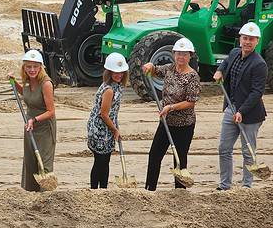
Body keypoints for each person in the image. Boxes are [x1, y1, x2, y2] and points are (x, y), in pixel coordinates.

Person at [213, 22, 267, 190]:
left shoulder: (259, 64)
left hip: (250, 114)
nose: (247, 42)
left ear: (257, 41)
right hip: (231, 107)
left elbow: (256, 93)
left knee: (247, 151)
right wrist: (220, 70)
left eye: (251, 39)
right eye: (245, 38)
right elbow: (226, 61)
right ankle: (225, 185)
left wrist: (242, 111)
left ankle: (247, 186)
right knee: (224, 148)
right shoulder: (235, 52)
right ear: (240, 39)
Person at [142, 38, 201, 190]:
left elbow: (191, 101)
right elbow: (155, 70)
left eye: (184, 54)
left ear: (190, 56)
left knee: (179, 159)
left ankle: (179, 192)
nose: (181, 57)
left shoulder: (192, 77)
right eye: (178, 53)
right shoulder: (170, 68)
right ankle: (150, 189)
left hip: (184, 125)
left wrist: (171, 107)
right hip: (166, 122)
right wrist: (150, 66)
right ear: (174, 54)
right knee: (154, 155)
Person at [8, 49, 56, 192]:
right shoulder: (28, 81)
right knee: (30, 161)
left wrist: (34, 120)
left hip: (44, 128)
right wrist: (14, 83)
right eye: (29, 66)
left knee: (44, 162)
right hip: (31, 126)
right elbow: (27, 94)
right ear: (24, 67)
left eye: (35, 66)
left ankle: (46, 195)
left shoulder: (46, 84)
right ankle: (31, 193)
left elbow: (51, 111)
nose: (32, 69)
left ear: (41, 67)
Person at [86, 53, 128, 189]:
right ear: (109, 72)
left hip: (107, 127)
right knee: (100, 162)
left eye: (121, 72)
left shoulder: (117, 86)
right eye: (115, 72)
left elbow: (112, 111)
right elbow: (104, 114)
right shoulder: (109, 90)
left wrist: (115, 126)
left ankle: (103, 190)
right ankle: (94, 190)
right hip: (100, 130)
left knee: (104, 162)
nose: (119, 75)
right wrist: (115, 129)